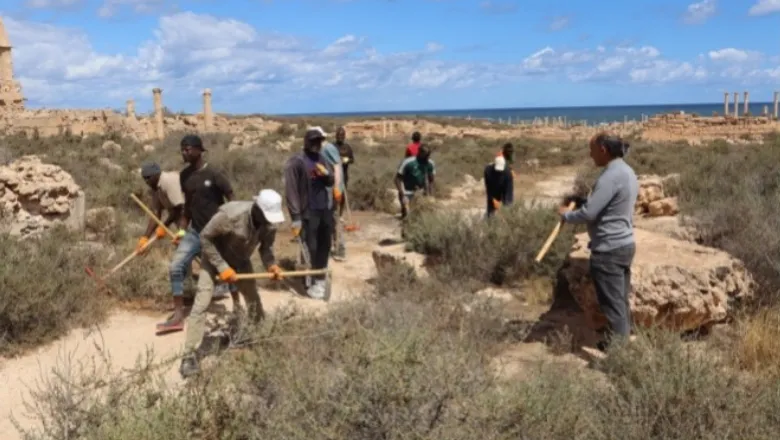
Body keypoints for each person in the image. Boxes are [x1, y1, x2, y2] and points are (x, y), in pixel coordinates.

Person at [179, 189, 286, 378]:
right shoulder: (231, 215)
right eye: (267, 217)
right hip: (213, 261)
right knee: (202, 303)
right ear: (257, 209)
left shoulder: (269, 224)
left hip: (241, 260)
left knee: (253, 299)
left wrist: (271, 265)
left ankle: (261, 337)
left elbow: (266, 248)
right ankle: (189, 356)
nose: (269, 222)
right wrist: (221, 267)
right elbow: (205, 237)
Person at [559, 132, 638, 354]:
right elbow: (609, 204)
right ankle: (619, 341)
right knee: (619, 300)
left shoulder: (610, 176)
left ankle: (620, 355)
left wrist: (567, 216)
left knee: (612, 306)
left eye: (592, 149)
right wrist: (583, 202)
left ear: (603, 150)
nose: (590, 154)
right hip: (624, 244)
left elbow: (590, 214)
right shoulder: (627, 171)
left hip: (609, 250)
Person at [159, 134, 236, 334]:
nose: (184, 152)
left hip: (215, 232)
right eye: (182, 149)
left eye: (187, 149)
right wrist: (182, 230)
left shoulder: (214, 173)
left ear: (198, 150)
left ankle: (238, 309)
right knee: (176, 267)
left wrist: (230, 222)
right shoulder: (184, 176)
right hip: (194, 231)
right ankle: (177, 317)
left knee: (226, 271)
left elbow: (231, 197)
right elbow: (187, 208)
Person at [283, 128, 336, 300]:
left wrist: (327, 175)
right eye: (314, 141)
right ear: (306, 142)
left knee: (325, 245)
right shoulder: (297, 162)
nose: (317, 145)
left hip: (324, 209)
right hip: (308, 212)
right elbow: (291, 191)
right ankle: (310, 281)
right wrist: (296, 217)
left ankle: (319, 277)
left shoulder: (321, 159)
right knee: (310, 248)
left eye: (319, 141)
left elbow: (331, 180)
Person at [136, 162, 185, 254]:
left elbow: (179, 207)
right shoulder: (155, 188)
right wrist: (145, 237)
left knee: (198, 248)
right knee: (186, 251)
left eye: (148, 178)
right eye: (144, 179)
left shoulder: (168, 180)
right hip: (181, 223)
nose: (146, 181)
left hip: (191, 219)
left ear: (156, 174)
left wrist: (164, 226)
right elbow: (155, 214)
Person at [318, 127, 347, 262]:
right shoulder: (321, 149)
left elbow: (337, 167)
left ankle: (340, 250)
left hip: (332, 191)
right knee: (327, 220)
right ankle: (328, 247)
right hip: (325, 191)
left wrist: (337, 188)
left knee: (334, 220)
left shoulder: (327, 149)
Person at [395, 144, 435, 219]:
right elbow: (397, 179)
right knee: (407, 217)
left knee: (422, 217)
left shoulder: (430, 163)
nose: (427, 158)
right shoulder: (408, 162)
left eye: (428, 156)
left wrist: (431, 196)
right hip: (407, 192)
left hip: (421, 193)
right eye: (425, 155)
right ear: (419, 153)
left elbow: (431, 181)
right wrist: (402, 195)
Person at [334, 126, 355, 218]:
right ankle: (333, 213)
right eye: (338, 135)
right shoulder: (332, 147)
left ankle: (340, 215)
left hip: (344, 174)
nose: (340, 137)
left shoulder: (347, 147)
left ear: (344, 136)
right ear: (336, 136)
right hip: (334, 175)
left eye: (342, 135)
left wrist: (347, 160)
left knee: (342, 195)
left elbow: (352, 160)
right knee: (334, 194)